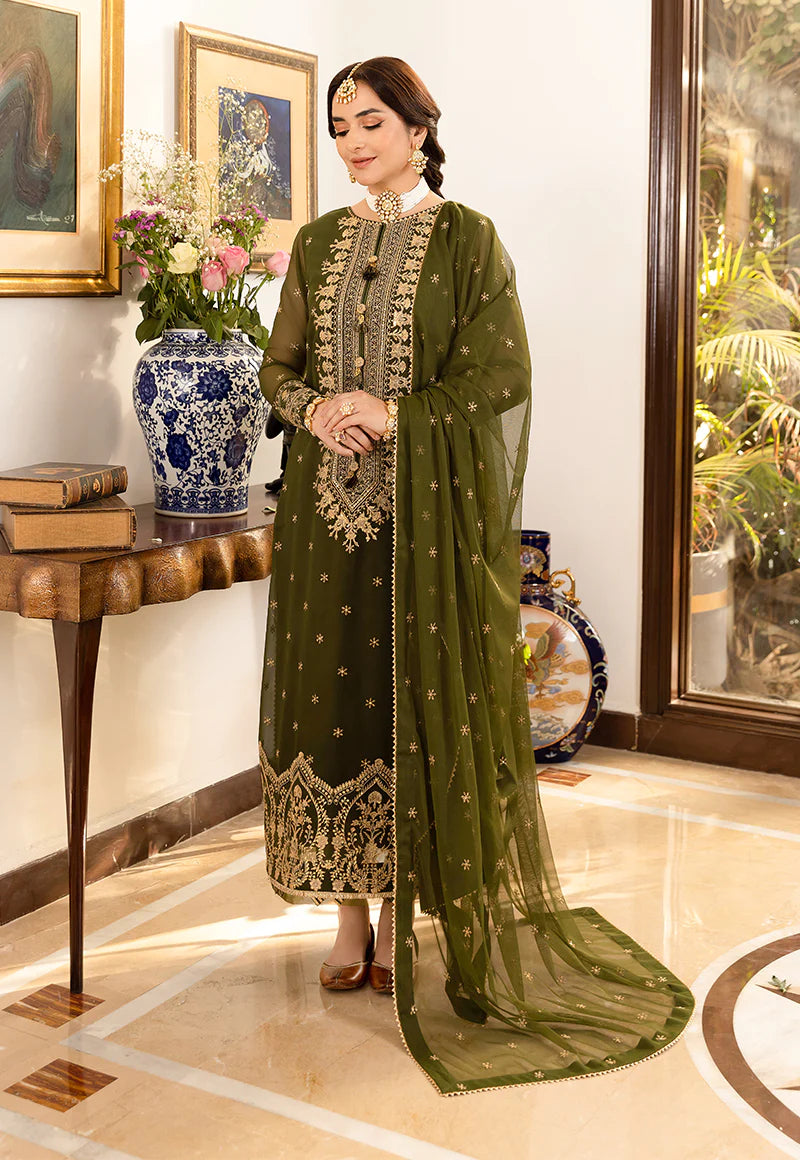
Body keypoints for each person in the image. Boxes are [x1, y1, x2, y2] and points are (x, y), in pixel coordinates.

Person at [258, 56, 694, 1096]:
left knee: (414, 703)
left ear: (418, 129)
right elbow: (279, 369)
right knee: (330, 704)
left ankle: (412, 909)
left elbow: (501, 376)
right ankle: (348, 918)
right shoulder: (316, 244)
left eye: (371, 122)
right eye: (339, 127)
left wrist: (394, 413)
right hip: (326, 524)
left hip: (425, 525)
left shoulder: (468, 240)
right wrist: (318, 410)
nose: (352, 143)